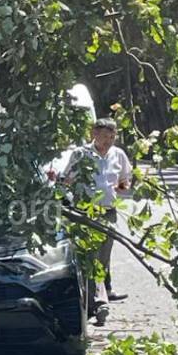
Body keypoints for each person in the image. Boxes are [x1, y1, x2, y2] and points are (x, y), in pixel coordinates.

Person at [62, 118, 132, 324]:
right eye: (105, 136)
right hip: (85, 212)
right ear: (94, 134)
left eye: (113, 136)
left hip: (108, 211)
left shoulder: (118, 155)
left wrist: (120, 188)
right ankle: (97, 302)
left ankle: (102, 293)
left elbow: (125, 178)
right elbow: (68, 178)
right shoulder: (81, 154)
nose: (109, 141)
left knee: (104, 254)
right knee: (90, 256)